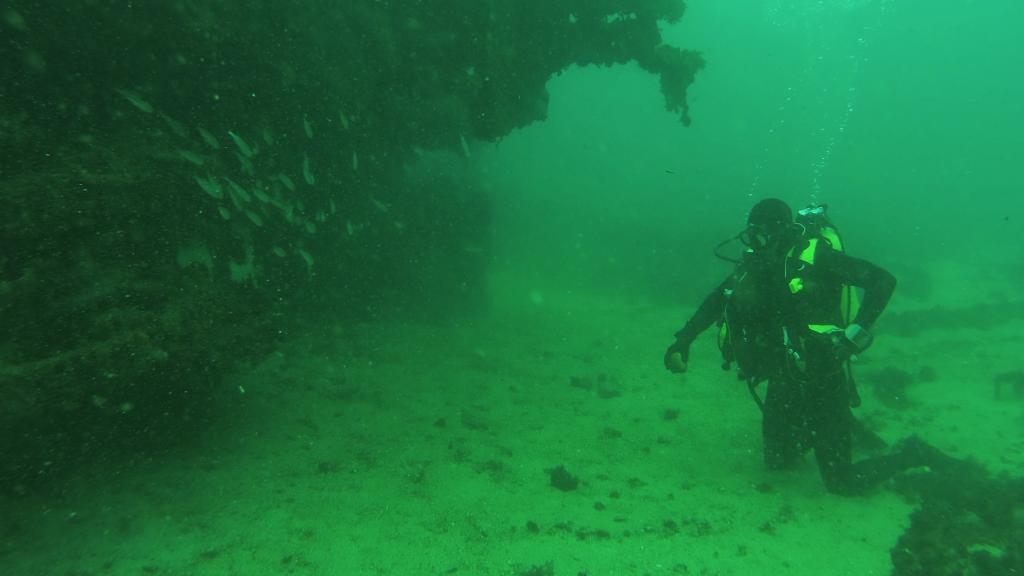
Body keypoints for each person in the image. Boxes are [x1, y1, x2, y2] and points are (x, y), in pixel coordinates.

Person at [663, 198, 937, 495]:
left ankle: (912, 454)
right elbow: (717, 300)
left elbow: (882, 281)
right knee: (779, 461)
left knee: (841, 482)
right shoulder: (751, 269)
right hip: (784, 377)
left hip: (824, 376)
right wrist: (683, 340)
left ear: (783, 230)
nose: (758, 240)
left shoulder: (816, 259)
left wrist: (854, 334)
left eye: (763, 232)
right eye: (754, 233)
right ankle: (839, 428)